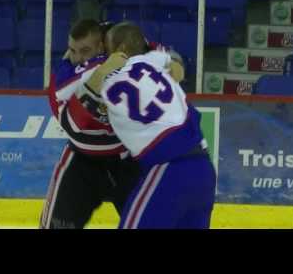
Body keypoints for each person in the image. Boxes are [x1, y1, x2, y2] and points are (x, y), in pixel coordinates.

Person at [79, 23, 216, 229]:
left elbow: (85, 103)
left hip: (168, 170)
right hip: (203, 169)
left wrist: (105, 69)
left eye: (107, 49)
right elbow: (174, 57)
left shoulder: (109, 79)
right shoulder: (154, 60)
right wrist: (178, 65)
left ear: (120, 49)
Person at [40, 19, 141, 229]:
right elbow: (59, 90)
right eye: (72, 51)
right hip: (80, 163)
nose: (77, 59)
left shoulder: (122, 61)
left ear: (102, 45)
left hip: (126, 161)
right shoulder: (85, 69)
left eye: (85, 51)